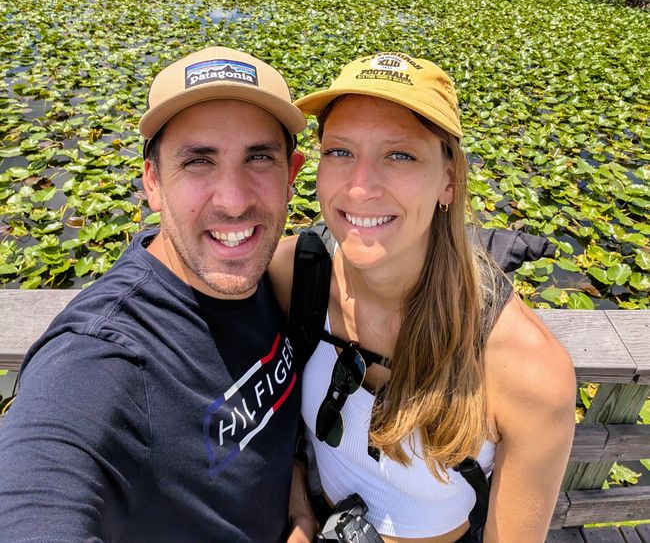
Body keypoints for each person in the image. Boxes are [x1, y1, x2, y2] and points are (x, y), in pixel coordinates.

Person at [0, 46, 316, 543]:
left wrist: (294, 481)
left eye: (259, 157)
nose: (234, 200)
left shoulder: (268, 275)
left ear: (292, 172)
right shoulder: (102, 356)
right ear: (152, 181)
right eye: (198, 162)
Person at [270, 51, 576, 543]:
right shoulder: (294, 276)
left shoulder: (526, 372)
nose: (361, 187)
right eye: (340, 151)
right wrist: (301, 514)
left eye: (400, 155)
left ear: (449, 179)